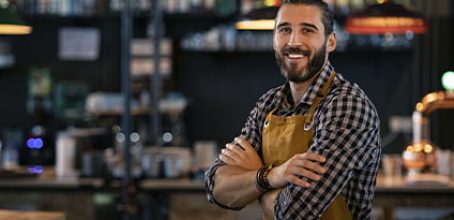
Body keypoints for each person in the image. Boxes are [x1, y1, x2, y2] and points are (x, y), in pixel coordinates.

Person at [205, 0, 381, 219]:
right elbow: (216, 188)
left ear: (331, 42)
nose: (293, 41)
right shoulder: (269, 104)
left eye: (307, 30)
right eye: (285, 29)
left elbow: (297, 213)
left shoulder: (347, 106)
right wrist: (270, 176)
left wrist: (255, 181)